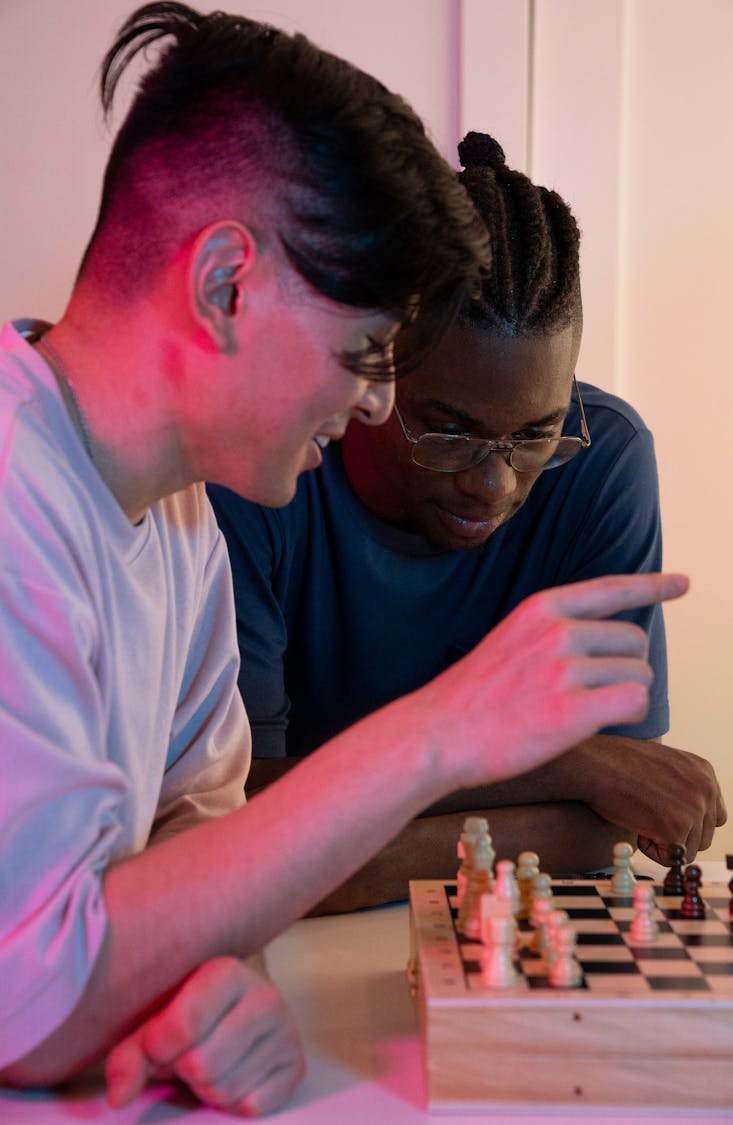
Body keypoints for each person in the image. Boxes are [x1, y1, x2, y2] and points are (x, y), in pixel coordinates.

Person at [0, 4, 690, 1117]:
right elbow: (30, 1006)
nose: (375, 399)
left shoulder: (179, 515)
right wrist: (441, 733)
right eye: (365, 352)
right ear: (226, 284)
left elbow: (207, 830)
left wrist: (220, 982)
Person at [209, 131, 726, 915]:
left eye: (534, 435)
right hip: (290, 960)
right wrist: (569, 766)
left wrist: (362, 858)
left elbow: (622, 827)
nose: (493, 482)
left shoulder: (603, 459)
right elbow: (240, 821)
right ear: (374, 370)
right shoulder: (265, 470)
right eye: (447, 430)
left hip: (507, 943)